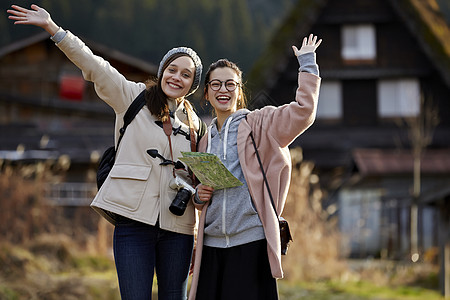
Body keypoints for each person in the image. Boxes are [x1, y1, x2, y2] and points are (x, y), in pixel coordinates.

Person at [8, 4, 205, 300]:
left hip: (179, 229)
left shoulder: (196, 124)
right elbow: (94, 65)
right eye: (171, 69)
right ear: (162, 71)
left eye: (186, 75)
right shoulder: (131, 96)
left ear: (192, 85)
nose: (176, 77)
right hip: (132, 223)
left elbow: (201, 175)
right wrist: (53, 30)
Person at [188, 34, 322, 300]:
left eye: (230, 84)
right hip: (211, 245)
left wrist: (307, 65)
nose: (223, 90)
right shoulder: (203, 139)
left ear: (239, 91)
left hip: (250, 242)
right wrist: (197, 195)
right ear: (206, 92)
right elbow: (198, 193)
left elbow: (303, 112)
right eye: (215, 84)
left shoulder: (260, 123)